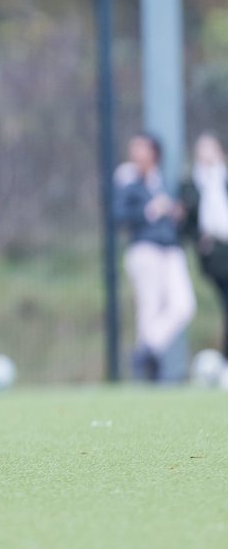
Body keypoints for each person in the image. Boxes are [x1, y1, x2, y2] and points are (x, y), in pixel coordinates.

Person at [113, 132, 194, 381]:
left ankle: (146, 350)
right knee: (148, 309)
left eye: (141, 148)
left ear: (154, 153)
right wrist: (150, 210)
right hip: (145, 249)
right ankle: (148, 369)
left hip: (170, 249)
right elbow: (118, 215)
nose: (136, 153)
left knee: (183, 305)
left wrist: (175, 214)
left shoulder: (164, 181)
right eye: (133, 148)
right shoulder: (128, 182)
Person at [179, 133, 228, 356]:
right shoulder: (191, 185)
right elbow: (187, 222)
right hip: (215, 252)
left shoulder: (223, 179)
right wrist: (200, 240)